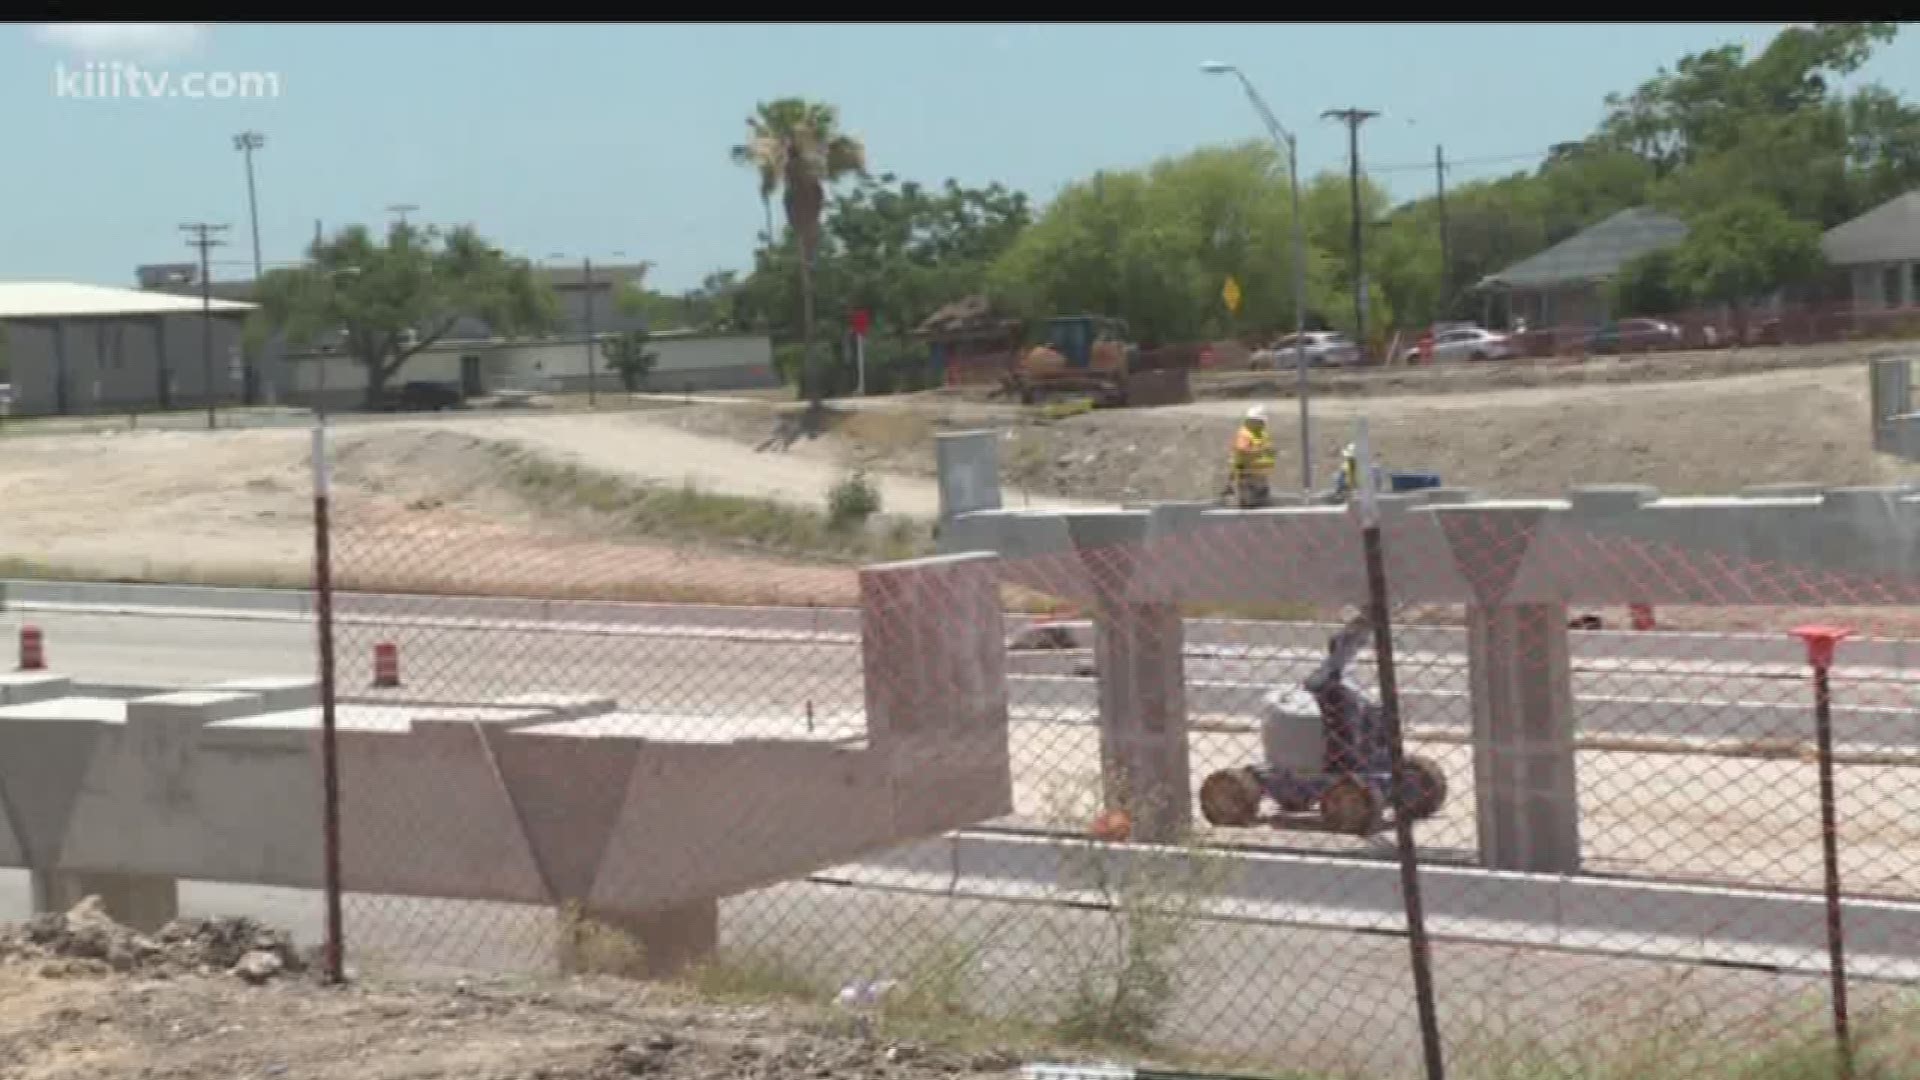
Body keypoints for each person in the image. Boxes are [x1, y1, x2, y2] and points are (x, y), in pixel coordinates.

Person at [1228, 405, 1276, 507]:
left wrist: (1269, 453)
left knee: (1261, 485)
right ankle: (1245, 501)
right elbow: (1242, 449)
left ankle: (1260, 499)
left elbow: (1267, 446)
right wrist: (1259, 451)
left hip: (1260, 467)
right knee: (1247, 484)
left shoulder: (1261, 433)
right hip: (1246, 465)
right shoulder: (1245, 433)